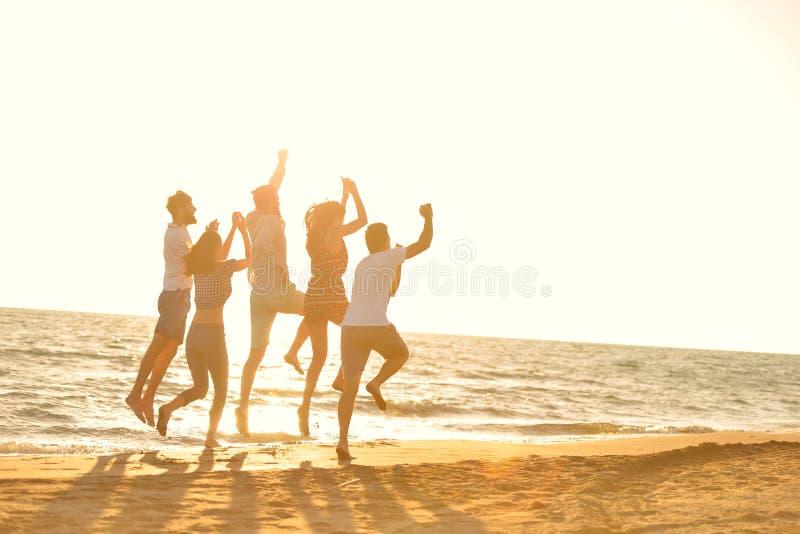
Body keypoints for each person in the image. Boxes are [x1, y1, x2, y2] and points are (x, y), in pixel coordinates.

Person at [336, 204, 434, 461]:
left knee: (350, 387)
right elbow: (424, 243)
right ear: (385, 241)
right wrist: (428, 218)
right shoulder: (390, 255)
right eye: (389, 239)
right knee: (401, 354)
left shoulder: (363, 264)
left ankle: (343, 442)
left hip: (350, 327)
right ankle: (377, 382)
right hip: (374, 325)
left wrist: (398, 264)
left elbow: (391, 291)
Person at [157, 212, 251, 448]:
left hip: (194, 335)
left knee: (200, 388)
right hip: (213, 336)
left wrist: (222, 232)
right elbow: (250, 257)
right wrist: (242, 230)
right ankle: (209, 437)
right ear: (215, 250)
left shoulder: (198, 267)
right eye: (219, 246)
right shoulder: (224, 268)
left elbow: (216, 251)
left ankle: (168, 408)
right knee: (220, 391)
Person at [235, 149, 312, 437]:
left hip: (258, 297)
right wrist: (279, 269)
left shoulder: (252, 218)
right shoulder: (267, 222)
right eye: (276, 199)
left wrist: (280, 165)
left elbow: (271, 188)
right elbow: (268, 246)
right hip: (278, 290)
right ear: (268, 203)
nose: (279, 200)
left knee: (255, 354)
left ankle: (242, 407)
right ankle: (293, 352)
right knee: (317, 306)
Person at [297, 177, 367, 436]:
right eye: (340, 216)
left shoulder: (314, 234)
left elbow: (339, 217)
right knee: (360, 329)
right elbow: (362, 221)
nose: (342, 220)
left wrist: (344, 195)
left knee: (318, 356)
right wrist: (356, 191)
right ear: (334, 220)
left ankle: (304, 406)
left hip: (314, 297)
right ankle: (340, 377)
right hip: (333, 297)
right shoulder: (336, 232)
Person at [125, 191, 198, 426]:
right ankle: (136, 394)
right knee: (157, 346)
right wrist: (212, 238)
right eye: (190, 205)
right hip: (175, 296)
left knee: (170, 350)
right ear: (180, 208)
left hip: (182, 297)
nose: (194, 209)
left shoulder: (184, 233)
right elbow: (195, 263)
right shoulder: (174, 235)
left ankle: (148, 397)